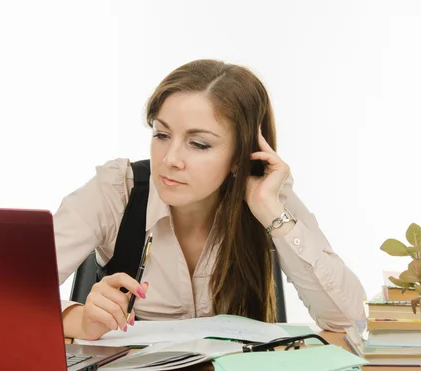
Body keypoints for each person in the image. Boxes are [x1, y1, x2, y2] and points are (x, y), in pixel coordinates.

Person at [54, 59, 366, 341]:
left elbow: (348, 321)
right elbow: (7, 297)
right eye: (162, 135)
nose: (171, 159)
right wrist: (79, 320)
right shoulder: (116, 190)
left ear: (240, 154)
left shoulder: (269, 196)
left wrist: (271, 212)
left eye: (199, 144)